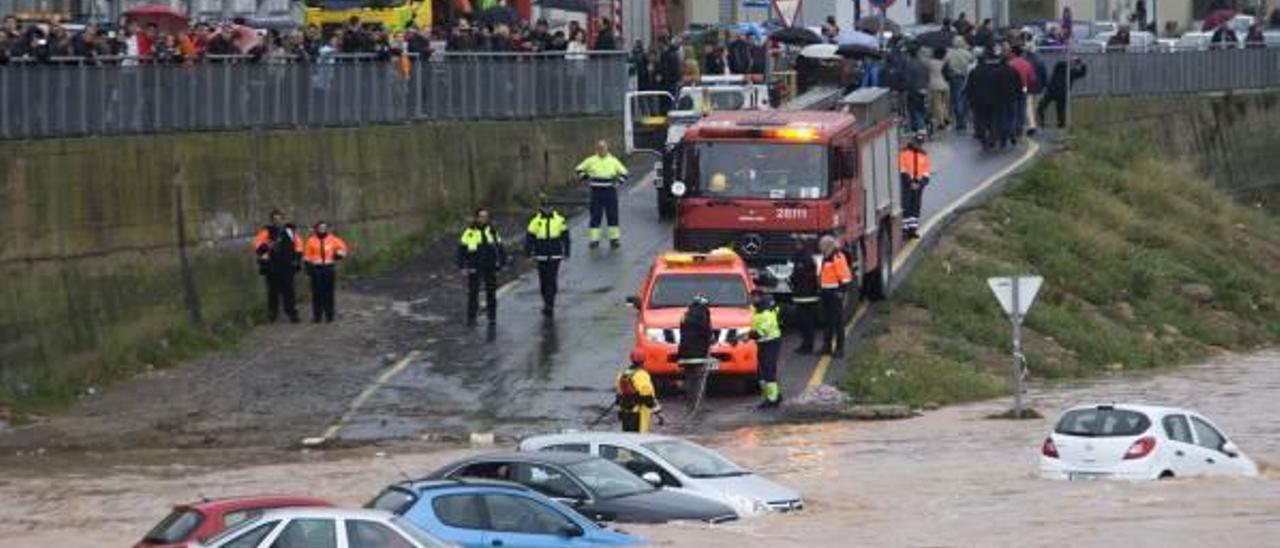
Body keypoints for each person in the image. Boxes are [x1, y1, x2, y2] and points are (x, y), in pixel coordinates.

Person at [457, 207, 506, 326]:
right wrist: (461, 266)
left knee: (491, 292)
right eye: (481, 216)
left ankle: (492, 316)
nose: (483, 219)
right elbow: (461, 250)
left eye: (486, 216)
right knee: (473, 292)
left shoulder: (492, 232)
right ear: (476, 218)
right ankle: (471, 317)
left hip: (490, 265)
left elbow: (500, 248)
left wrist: (502, 263)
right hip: (475, 266)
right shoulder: (469, 233)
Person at [252, 209, 304, 323]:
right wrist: (268, 245)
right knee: (272, 292)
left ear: (282, 219)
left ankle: (292, 313)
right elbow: (257, 248)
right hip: (272, 266)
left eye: (279, 218)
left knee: (289, 291)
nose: (277, 221)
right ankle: (273, 314)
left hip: (287, 266)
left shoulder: (290, 231)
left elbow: (299, 246)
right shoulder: (265, 232)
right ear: (271, 220)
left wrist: (296, 259)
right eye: (275, 219)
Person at [575, 140, 628, 249]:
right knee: (595, 216)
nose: (601, 150)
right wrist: (584, 177)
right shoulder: (591, 160)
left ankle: (614, 240)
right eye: (599, 148)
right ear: (596, 149)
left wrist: (618, 183)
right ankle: (594, 241)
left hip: (610, 192)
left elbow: (624, 173)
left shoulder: (613, 161)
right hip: (596, 192)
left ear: (607, 149)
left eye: (603, 148)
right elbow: (579, 169)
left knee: (612, 216)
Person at [525, 195, 570, 317]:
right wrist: (528, 254)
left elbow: (565, 237)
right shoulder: (535, 221)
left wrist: (567, 252)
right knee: (543, 281)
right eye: (544, 207)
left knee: (551, 279)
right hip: (541, 255)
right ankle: (546, 301)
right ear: (541, 207)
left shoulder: (559, 220)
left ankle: (550, 304)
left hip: (555, 254)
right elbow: (529, 239)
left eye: (549, 206)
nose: (547, 209)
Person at [303, 221, 349, 323]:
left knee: (328, 293)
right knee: (316, 294)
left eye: (324, 227)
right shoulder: (311, 241)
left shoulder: (332, 239)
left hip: (329, 268)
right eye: (320, 228)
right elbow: (306, 256)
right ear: (316, 229)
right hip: (316, 269)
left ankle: (329, 315)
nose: (323, 229)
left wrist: (338, 255)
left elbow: (343, 248)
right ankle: (317, 316)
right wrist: (308, 268)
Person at [817, 236, 853, 357]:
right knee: (827, 321)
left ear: (828, 245)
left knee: (837, 322)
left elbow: (845, 276)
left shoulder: (837, 257)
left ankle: (839, 348)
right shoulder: (826, 257)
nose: (819, 247)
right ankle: (826, 346)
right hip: (826, 292)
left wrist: (841, 291)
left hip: (834, 293)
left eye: (821, 244)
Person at [750, 290, 783, 408]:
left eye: (756, 298)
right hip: (762, 343)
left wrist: (746, 336)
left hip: (770, 343)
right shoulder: (758, 310)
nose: (753, 300)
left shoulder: (767, 314)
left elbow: (760, 332)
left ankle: (773, 399)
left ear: (761, 298)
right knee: (762, 372)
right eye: (752, 297)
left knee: (768, 371)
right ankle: (771, 396)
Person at [616, 350, 660, 432]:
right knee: (640, 434)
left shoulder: (622, 373)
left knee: (628, 436)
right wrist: (657, 411)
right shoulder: (641, 374)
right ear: (643, 360)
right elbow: (647, 396)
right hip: (640, 411)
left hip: (626, 410)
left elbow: (619, 394)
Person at [789, 238, 820, 355]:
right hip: (802, 295)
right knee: (803, 322)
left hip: (806, 296)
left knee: (806, 323)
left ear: (802, 245)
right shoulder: (801, 257)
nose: (796, 246)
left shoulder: (805, 258)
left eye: (797, 244)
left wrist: (793, 278)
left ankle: (808, 346)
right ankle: (806, 345)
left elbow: (800, 275)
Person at [899, 132, 932, 238]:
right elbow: (902, 170)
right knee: (906, 205)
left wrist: (920, 184)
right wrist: (910, 182)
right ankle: (905, 229)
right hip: (906, 184)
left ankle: (912, 229)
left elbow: (926, 174)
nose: (918, 145)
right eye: (917, 142)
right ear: (912, 141)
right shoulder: (904, 153)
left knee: (916, 206)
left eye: (920, 143)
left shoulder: (924, 155)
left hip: (918, 185)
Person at [1038, 57, 1086, 128]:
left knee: (1060, 111)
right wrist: (1073, 62)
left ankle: (1061, 126)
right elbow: (1060, 64)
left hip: (1061, 93)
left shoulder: (1072, 72)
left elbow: (1082, 73)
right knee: (1041, 107)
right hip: (1052, 91)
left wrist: (1083, 64)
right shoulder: (1061, 67)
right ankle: (1042, 124)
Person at [945, 36, 974, 131]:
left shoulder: (949, 53)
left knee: (956, 99)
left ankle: (960, 121)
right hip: (966, 77)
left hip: (954, 78)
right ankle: (964, 120)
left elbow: (945, 64)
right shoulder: (967, 53)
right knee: (964, 99)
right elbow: (972, 62)